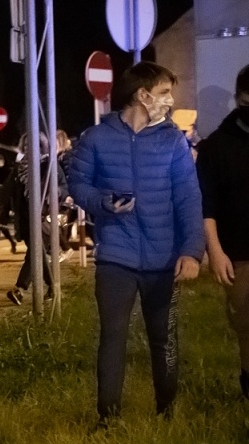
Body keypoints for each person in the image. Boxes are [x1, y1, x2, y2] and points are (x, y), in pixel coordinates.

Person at [67, 61, 204, 425]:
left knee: (164, 339)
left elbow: (189, 199)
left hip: (164, 259)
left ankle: (167, 414)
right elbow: (78, 184)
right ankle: (107, 419)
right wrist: (103, 201)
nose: (170, 101)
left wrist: (191, 252)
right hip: (116, 255)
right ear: (143, 96)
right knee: (113, 336)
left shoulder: (173, 140)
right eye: (163, 93)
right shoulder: (96, 138)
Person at [196, 64, 249, 399]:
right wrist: (215, 251)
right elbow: (207, 206)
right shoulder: (216, 147)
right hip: (240, 254)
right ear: (239, 99)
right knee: (246, 326)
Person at [4, 134, 66, 306]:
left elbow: (63, 186)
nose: (27, 149)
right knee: (39, 255)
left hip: (45, 218)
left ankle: (20, 288)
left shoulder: (49, 165)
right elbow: (7, 190)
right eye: (25, 146)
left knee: (34, 253)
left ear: (41, 147)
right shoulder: (19, 168)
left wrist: (57, 193)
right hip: (26, 220)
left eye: (32, 146)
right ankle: (53, 289)